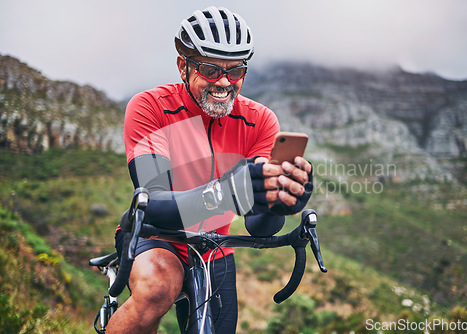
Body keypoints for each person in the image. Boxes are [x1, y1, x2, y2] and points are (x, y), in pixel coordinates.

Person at [107, 6, 313, 334]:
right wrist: (227, 193)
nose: (224, 83)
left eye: (235, 72)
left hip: (215, 248)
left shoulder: (260, 121)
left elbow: (261, 227)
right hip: (156, 237)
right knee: (156, 289)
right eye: (210, 69)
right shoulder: (150, 107)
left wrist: (279, 202)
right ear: (182, 66)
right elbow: (153, 201)